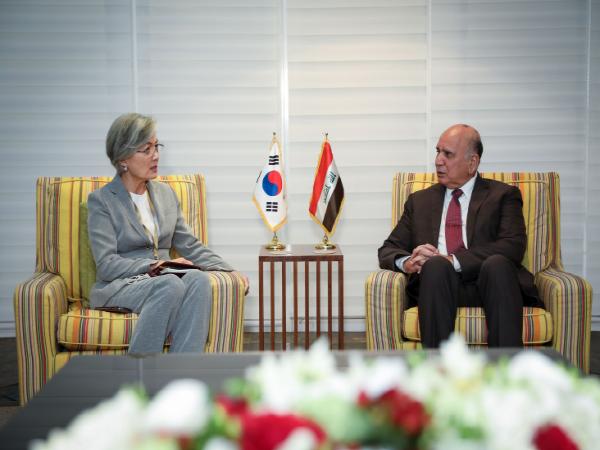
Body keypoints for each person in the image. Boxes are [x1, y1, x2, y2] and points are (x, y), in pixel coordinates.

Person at [87, 112, 249, 354]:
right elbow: (106, 265)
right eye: (146, 150)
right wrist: (156, 265)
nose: (155, 155)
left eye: (156, 146)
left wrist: (228, 269)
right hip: (123, 284)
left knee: (198, 280)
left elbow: (190, 244)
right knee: (170, 284)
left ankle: (183, 370)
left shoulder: (166, 194)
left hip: (163, 279)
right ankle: (139, 371)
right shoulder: (102, 201)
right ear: (123, 158)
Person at [378, 124, 542, 348]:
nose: (438, 160)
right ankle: (438, 365)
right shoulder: (420, 201)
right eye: (438, 151)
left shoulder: (503, 195)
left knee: (497, 264)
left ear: (472, 163)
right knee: (435, 266)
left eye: (448, 154)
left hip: (491, 285)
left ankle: (505, 365)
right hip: (438, 286)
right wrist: (408, 263)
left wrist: (453, 260)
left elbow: (513, 246)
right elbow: (388, 250)